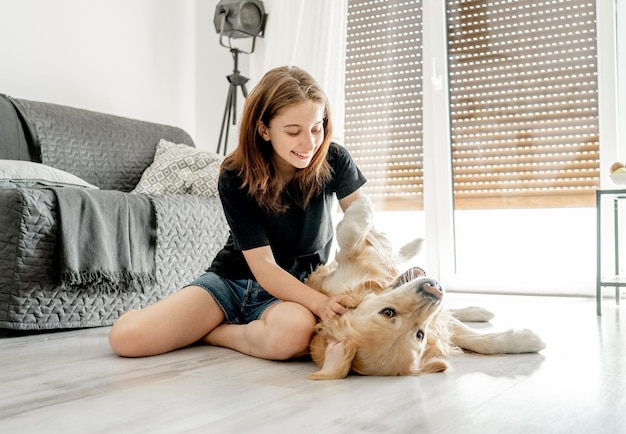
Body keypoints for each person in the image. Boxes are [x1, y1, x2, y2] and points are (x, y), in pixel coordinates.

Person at [109, 66, 366, 360]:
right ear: (263, 129)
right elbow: (264, 266)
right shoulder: (235, 175)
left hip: (293, 293)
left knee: (291, 337)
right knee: (125, 340)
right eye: (293, 131)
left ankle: (211, 333)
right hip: (231, 282)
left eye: (316, 128)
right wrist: (321, 305)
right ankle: (193, 320)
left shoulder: (335, 160)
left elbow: (362, 231)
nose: (309, 143)